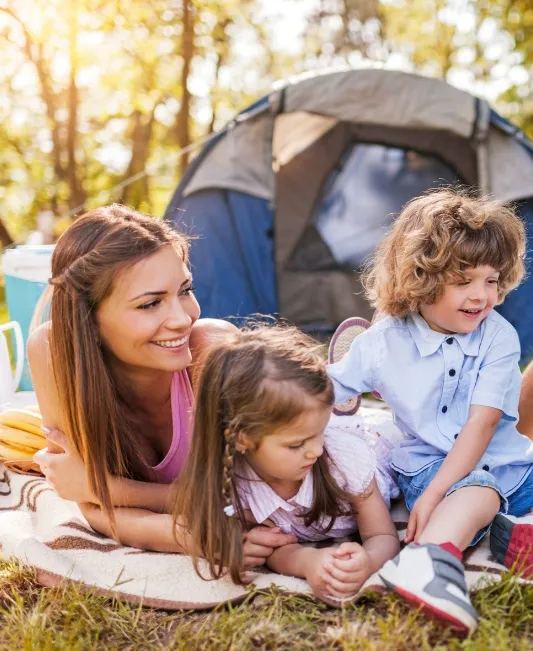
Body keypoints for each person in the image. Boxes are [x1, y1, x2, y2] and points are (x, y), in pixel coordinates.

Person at [28, 205, 297, 567]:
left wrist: (111, 489)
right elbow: (90, 506)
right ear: (88, 320)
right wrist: (194, 536)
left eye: (185, 290)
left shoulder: (212, 349)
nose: (183, 318)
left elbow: (250, 495)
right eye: (151, 303)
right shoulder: (53, 352)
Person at [327, 189, 533, 633]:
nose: (483, 296)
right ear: (419, 277)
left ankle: (510, 531)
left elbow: (486, 422)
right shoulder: (383, 342)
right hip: (433, 468)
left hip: (512, 467)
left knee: (501, 489)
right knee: (477, 492)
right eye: (464, 282)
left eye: (492, 280)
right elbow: (322, 392)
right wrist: (438, 491)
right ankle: (429, 559)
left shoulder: (498, 336)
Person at [171, 325, 400, 603]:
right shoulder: (235, 481)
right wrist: (308, 562)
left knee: (407, 444)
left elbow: (382, 534)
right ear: (241, 439)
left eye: (317, 434)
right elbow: (275, 548)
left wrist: (370, 560)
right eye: (296, 444)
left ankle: (369, 362)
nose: (315, 451)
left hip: (380, 450)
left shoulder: (343, 458)